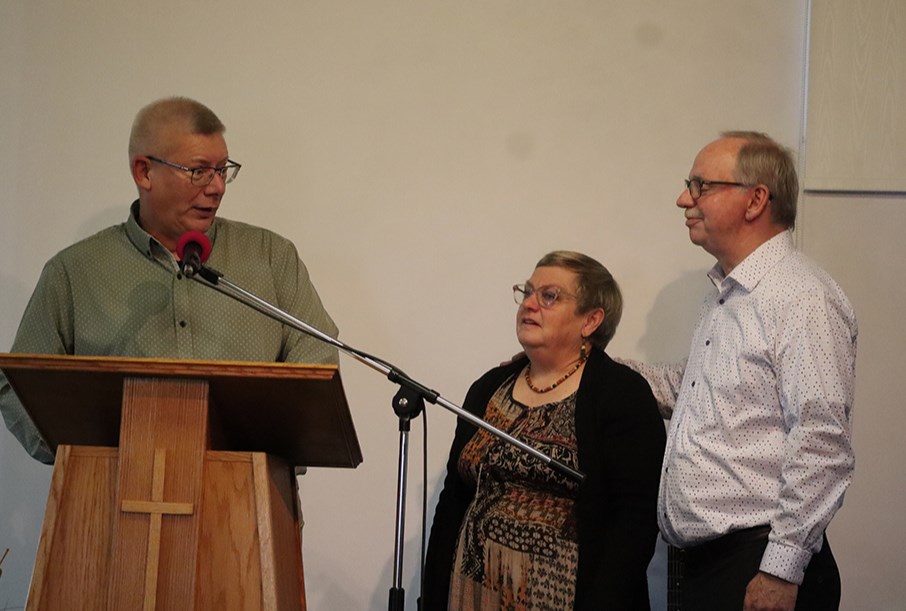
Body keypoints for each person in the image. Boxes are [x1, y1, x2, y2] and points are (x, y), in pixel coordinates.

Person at [0, 97, 339, 464]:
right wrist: (83, 456)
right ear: (144, 172)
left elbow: (317, 363)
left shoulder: (270, 258)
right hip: (111, 502)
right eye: (199, 171)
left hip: (242, 500)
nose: (217, 187)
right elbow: (17, 387)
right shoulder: (74, 272)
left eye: (223, 170)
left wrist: (266, 450)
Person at [624, 132, 857, 610]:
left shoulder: (800, 296)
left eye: (701, 185)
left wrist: (781, 570)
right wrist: (580, 364)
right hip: (711, 569)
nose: (683, 199)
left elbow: (821, 440)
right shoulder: (725, 296)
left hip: (758, 567)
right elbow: (681, 388)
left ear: (755, 200)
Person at [422, 251, 666, 610]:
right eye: (528, 292)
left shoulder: (621, 394)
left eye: (549, 296)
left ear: (591, 320)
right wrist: (431, 596)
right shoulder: (488, 387)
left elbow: (634, 521)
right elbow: (454, 497)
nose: (530, 305)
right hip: (472, 593)